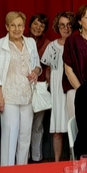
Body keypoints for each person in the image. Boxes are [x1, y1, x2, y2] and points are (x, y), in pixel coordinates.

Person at [0, 12, 41, 166]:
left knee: (25, 136)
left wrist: (36, 71)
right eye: (13, 25)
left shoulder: (31, 42)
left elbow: (37, 65)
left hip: (27, 95)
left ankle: (21, 171)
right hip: (9, 96)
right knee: (9, 135)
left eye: (20, 25)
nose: (17, 28)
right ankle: (7, 172)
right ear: (7, 27)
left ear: (24, 26)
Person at [41, 11, 75, 162]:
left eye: (69, 25)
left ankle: (74, 160)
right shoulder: (52, 46)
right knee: (57, 129)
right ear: (57, 27)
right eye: (62, 25)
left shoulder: (76, 44)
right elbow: (47, 68)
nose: (66, 28)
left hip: (72, 86)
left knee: (73, 126)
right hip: (56, 87)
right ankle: (56, 162)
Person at [28, 13, 50, 162]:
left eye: (42, 25)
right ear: (30, 25)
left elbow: (46, 65)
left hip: (40, 86)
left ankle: (36, 157)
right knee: (23, 125)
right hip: (22, 86)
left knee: (37, 124)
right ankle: (24, 157)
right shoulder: (20, 39)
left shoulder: (47, 43)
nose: (38, 27)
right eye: (36, 23)